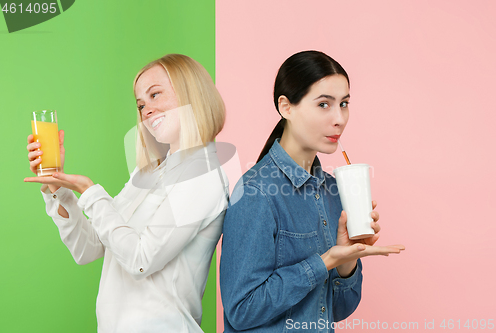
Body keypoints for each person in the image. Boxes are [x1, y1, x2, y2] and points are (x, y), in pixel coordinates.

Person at [25, 54, 229, 333]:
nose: (146, 110)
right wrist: (56, 187)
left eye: (155, 95)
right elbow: (89, 248)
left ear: (191, 92)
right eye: (141, 104)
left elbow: (140, 260)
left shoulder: (203, 174)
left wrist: (89, 190)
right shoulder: (147, 173)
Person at [220, 50, 405, 332]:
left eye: (344, 104)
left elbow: (339, 310)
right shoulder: (256, 192)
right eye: (323, 104)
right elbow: (241, 310)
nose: (339, 119)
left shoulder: (334, 191)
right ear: (286, 107)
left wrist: (347, 261)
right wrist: (325, 261)